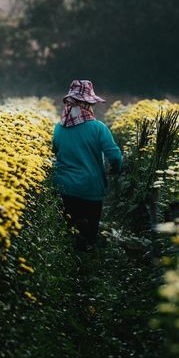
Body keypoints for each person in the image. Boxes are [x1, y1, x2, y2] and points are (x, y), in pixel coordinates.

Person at [52, 80, 123, 251]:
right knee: (90, 236)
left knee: (69, 233)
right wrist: (117, 169)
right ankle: (88, 265)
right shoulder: (98, 128)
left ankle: (70, 267)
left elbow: (55, 150)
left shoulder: (58, 128)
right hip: (91, 189)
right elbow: (114, 155)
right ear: (86, 104)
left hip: (65, 187)